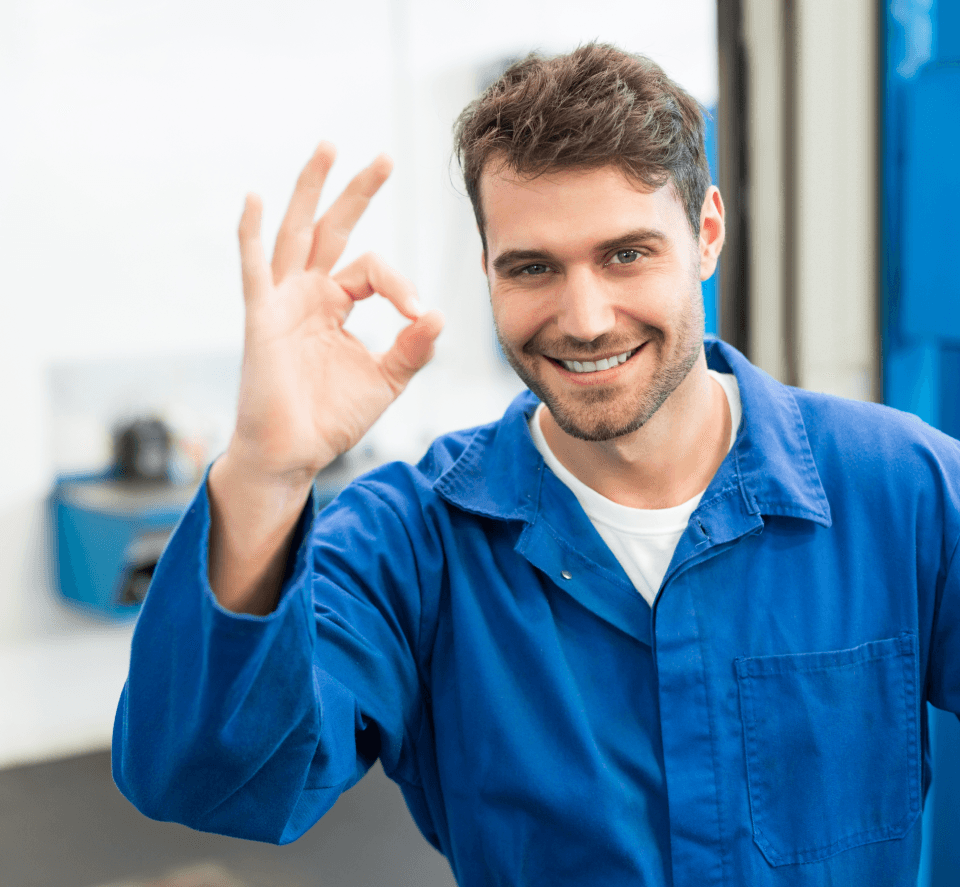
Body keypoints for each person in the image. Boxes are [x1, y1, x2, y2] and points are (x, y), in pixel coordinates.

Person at [113, 43, 960, 885]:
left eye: (626, 253)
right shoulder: (414, 547)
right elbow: (206, 781)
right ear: (488, 272)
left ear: (705, 235)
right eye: (533, 268)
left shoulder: (900, 488)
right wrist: (266, 471)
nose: (585, 318)